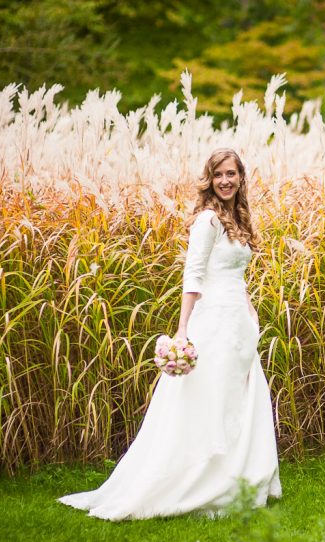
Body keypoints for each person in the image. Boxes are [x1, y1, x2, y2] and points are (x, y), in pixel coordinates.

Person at [58, 148, 282, 520]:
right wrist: (182, 330)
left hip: (239, 325)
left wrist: (249, 308)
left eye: (231, 174)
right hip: (212, 322)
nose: (225, 181)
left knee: (236, 399)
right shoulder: (208, 220)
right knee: (206, 400)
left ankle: (238, 477)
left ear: (241, 177)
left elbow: (235, 274)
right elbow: (193, 275)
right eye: (218, 175)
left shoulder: (237, 219)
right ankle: (199, 483)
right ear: (209, 180)